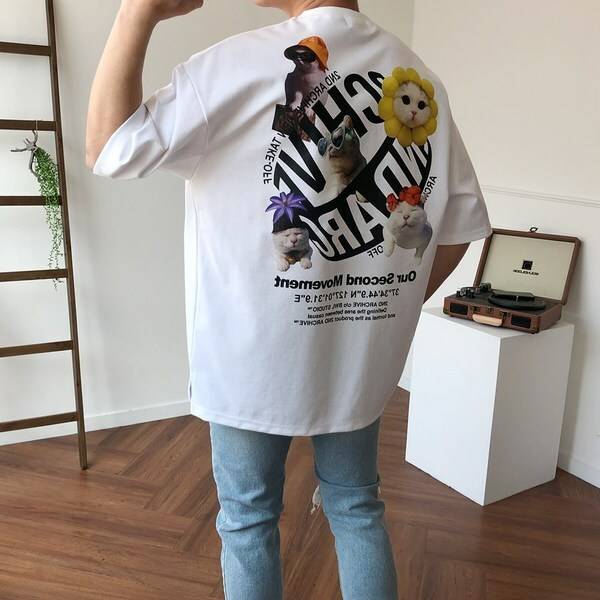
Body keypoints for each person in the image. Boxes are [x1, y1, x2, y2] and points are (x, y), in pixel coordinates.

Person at [86, 1, 492, 598]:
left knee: (249, 520)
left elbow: (107, 148)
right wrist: (384, 305)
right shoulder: (418, 77)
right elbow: (458, 229)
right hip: (356, 359)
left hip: (251, 359)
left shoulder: (232, 66)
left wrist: (137, 11)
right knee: (356, 507)